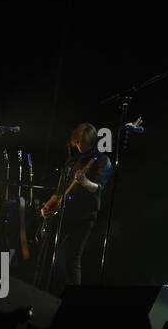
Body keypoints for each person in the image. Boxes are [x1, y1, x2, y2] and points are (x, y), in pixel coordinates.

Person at [36, 122, 113, 291]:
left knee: (73, 257)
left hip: (84, 216)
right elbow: (60, 189)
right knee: (47, 249)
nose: (79, 145)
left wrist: (84, 181)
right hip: (64, 213)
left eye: (82, 141)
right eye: (77, 141)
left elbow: (98, 188)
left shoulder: (102, 160)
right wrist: (48, 206)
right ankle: (39, 288)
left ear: (91, 140)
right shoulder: (72, 160)